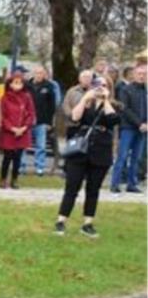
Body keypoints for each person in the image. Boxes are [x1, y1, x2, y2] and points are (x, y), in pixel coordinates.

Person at [55, 76, 121, 237]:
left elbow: (113, 120)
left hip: (101, 150)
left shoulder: (114, 105)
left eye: (104, 85)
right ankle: (61, 220)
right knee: (72, 187)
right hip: (81, 150)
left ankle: (87, 223)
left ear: (109, 88)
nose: (100, 88)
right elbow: (74, 118)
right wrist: (85, 98)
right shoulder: (86, 102)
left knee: (93, 189)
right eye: (97, 85)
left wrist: (106, 100)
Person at [110, 61, 146, 194]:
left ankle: (132, 183)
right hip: (128, 127)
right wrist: (139, 123)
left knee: (137, 157)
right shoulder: (126, 89)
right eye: (139, 74)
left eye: (144, 74)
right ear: (134, 75)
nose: (142, 76)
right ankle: (115, 183)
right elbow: (126, 109)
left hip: (143, 129)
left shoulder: (145, 90)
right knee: (122, 156)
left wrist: (145, 124)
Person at [0, 70, 35, 189]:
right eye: (15, 82)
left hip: (22, 132)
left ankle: (15, 179)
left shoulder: (27, 97)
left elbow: (31, 114)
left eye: (20, 82)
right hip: (9, 132)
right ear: (10, 83)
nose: (17, 85)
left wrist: (24, 127)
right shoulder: (5, 98)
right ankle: (3, 179)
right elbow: (3, 116)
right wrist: (12, 128)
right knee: (7, 157)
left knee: (18, 158)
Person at [26, 65, 61, 176]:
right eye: (37, 73)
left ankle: (39, 167)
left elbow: (52, 106)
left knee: (40, 146)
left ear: (44, 74)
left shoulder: (49, 86)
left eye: (41, 73)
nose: (39, 75)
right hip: (27, 120)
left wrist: (49, 122)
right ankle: (21, 167)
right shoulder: (27, 85)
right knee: (23, 145)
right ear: (33, 74)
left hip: (42, 121)